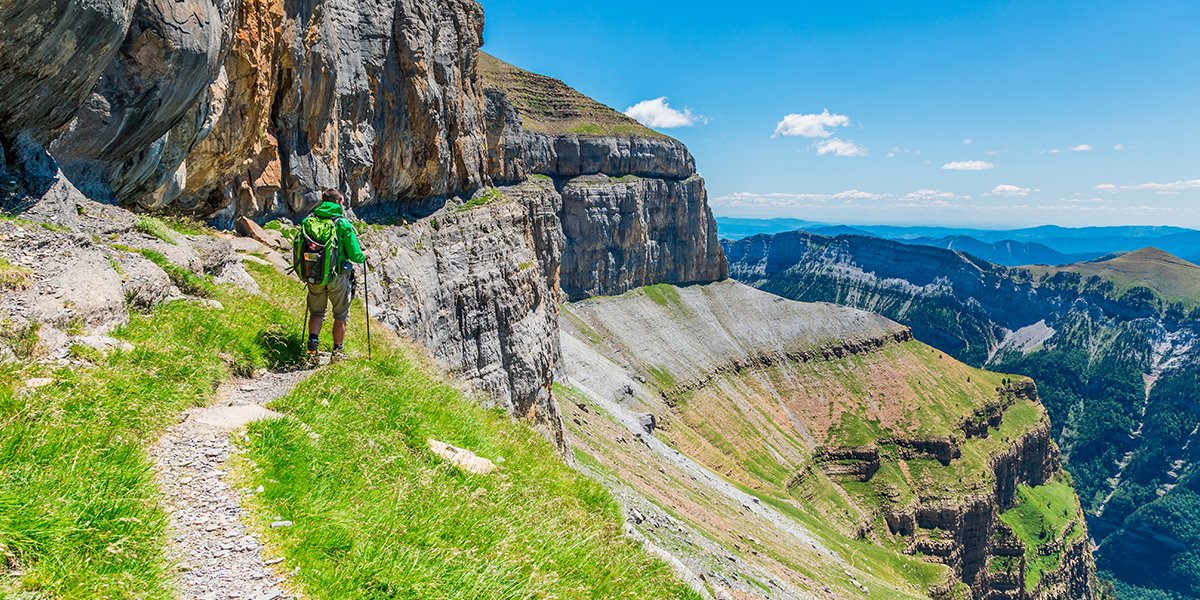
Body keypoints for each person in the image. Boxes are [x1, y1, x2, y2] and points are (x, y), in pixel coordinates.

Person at [303, 189, 366, 363]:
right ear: (337, 202)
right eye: (342, 202)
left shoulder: (309, 220)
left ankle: (311, 349)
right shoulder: (342, 224)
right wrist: (364, 255)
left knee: (316, 312)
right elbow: (354, 254)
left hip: (314, 274)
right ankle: (337, 353)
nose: (343, 205)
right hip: (337, 276)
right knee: (340, 315)